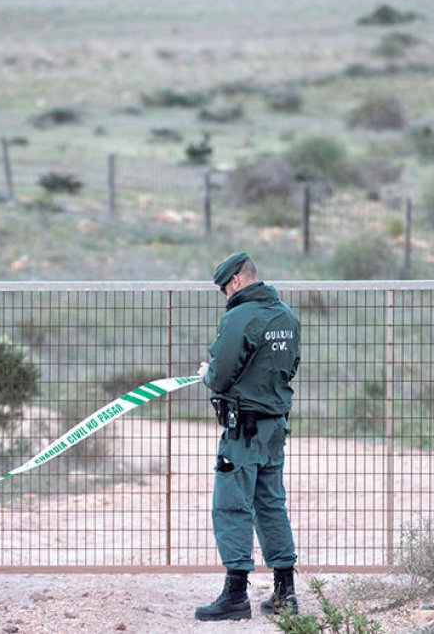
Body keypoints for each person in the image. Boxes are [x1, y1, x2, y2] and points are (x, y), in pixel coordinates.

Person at [194, 251, 301, 621]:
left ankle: (235, 594)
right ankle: (285, 592)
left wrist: (208, 373)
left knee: (231, 505)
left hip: (243, 431)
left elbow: (221, 376)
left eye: (226, 287)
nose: (226, 294)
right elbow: (290, 367)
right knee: (271, 504)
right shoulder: (286, 316)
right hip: (274, 427)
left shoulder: (239, 317)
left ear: (236, 280)